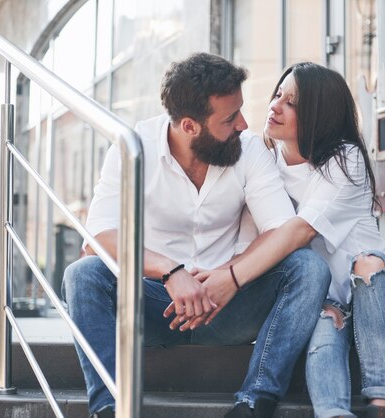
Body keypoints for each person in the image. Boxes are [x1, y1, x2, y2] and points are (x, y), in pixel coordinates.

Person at [62, 53, 332, 418]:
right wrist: (171, 272)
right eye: (229, 118)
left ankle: (254, 402)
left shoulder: (249, 149)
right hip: (156, 305)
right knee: (82, 274)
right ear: (189, 126)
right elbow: (98, 237)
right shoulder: (133, 147)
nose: (243, 123)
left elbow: (280, 230)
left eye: (239, 111)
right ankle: (111, 408)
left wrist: (230, 276)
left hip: (229, 307)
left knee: (308, 267)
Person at [199, 62, 385, 418]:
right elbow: (251, 248)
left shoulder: (345, 161)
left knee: (368, 264)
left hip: (380, 301)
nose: (276, 105)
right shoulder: (262, 165)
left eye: (292, 102)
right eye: (277, 95)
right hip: (324, 304)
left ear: (321, 112)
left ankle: (381, 406)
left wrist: (232, 278)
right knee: (322, 325)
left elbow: (301, 230)